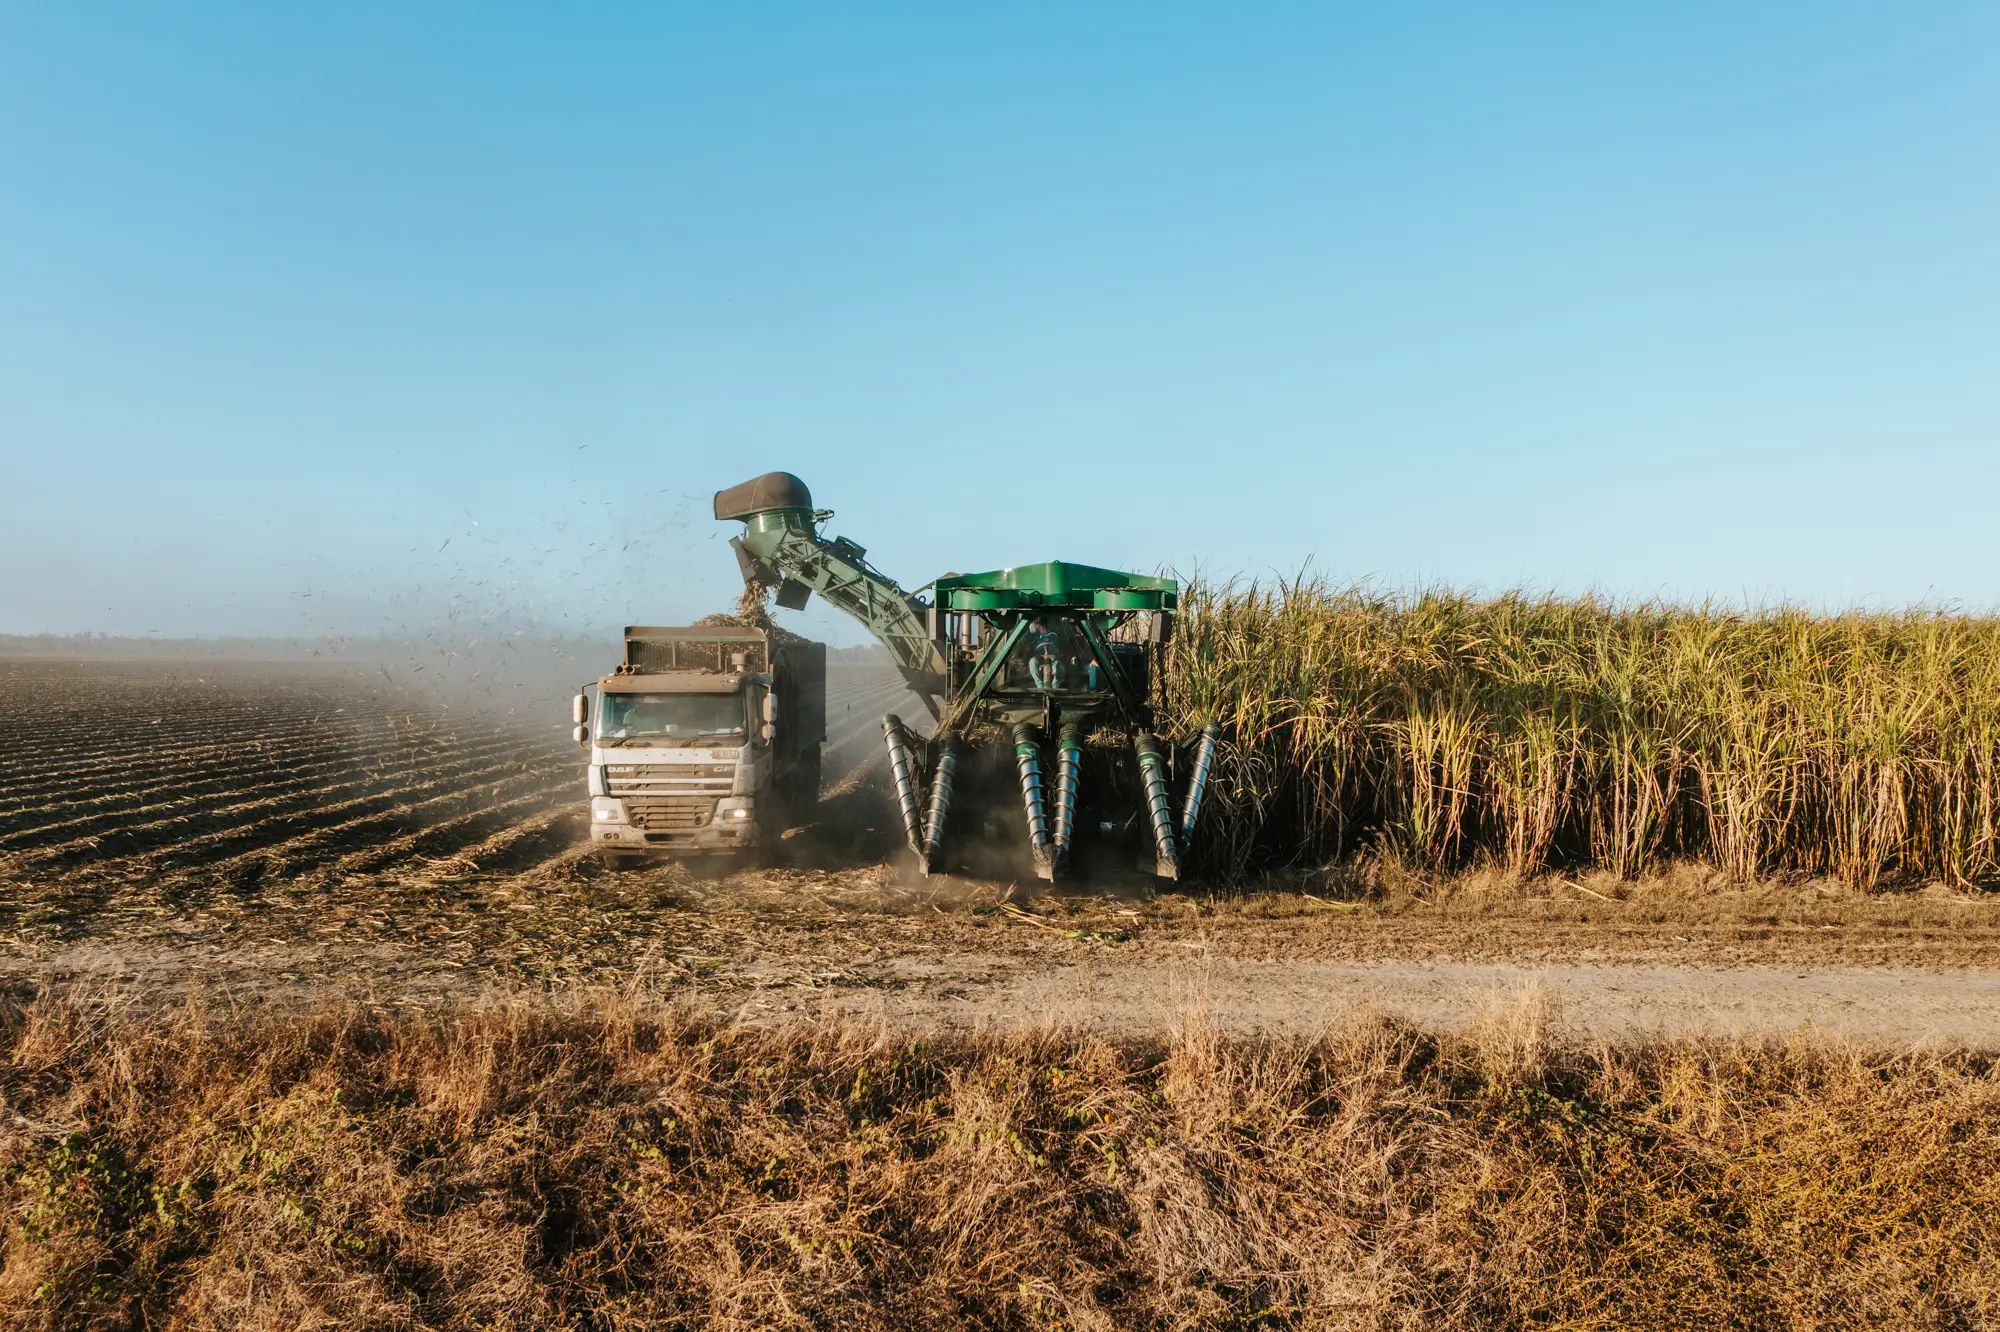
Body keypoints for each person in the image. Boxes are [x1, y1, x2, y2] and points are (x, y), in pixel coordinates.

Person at [1027, 617, 1063, 690]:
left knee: (1057, 665)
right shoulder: (1035, 638)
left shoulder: (1054, 635)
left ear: (1039, 624)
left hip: (1053, 660)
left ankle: (1055, 687)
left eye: (1033, 623)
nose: (1032, 625)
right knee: (1032, 662)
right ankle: (1040, 687)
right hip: (1040, 660)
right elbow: (1030, 650)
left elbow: (1061, 649)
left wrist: (1055, 656)